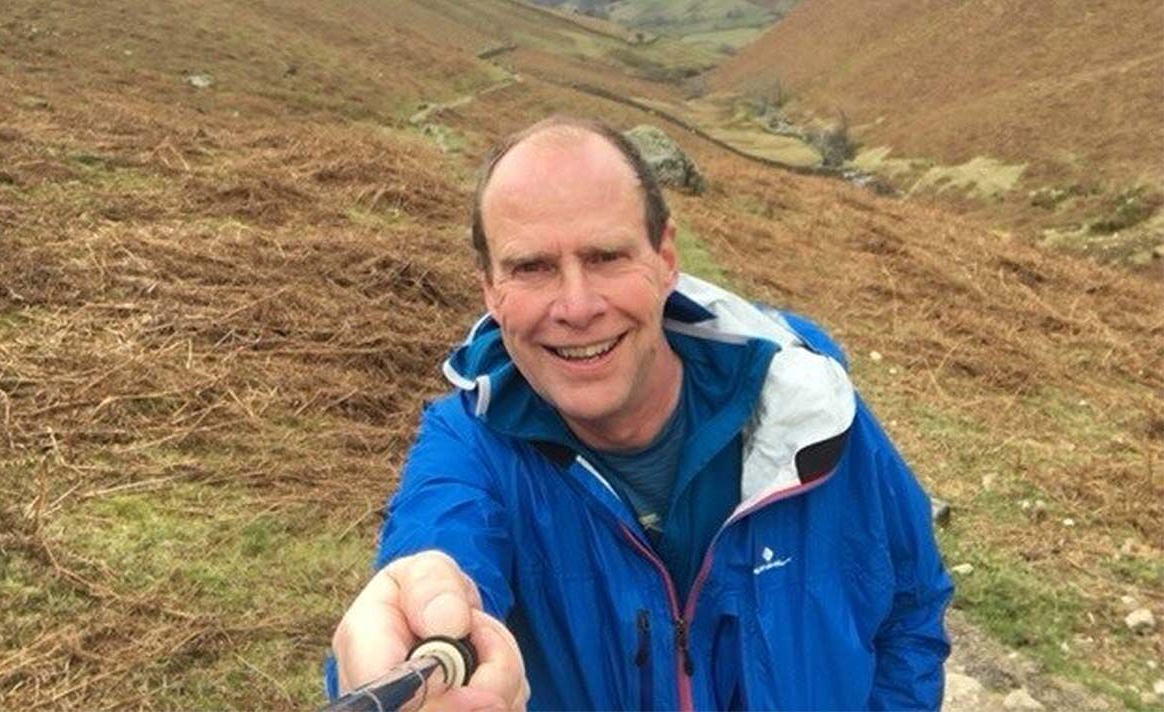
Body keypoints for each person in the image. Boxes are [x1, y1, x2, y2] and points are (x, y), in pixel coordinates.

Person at [327, 116, 953, 710]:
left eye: (605, 256)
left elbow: (910, 608)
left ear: (666, 257)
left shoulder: (807, 408)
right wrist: (413, 653)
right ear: (491, 290)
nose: (576, 307)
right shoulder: (468, 450)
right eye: (532, 267)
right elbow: (436, 561)